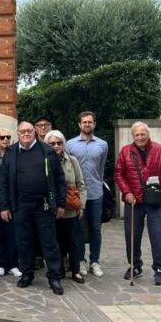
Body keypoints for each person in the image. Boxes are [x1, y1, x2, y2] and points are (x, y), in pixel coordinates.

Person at [0, 121, 67, 295]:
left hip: (44, 205)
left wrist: (60, 203)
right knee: (24, 242)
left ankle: (54, 277)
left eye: (29, 131)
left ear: (35, 132)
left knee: (49, 243)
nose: (26, 134)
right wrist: (4, 206)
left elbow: (59, 179)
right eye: (22, 132)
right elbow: (3, 181)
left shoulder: (47, 151)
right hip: (20, 206)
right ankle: (27, 274)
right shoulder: (11, 152)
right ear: (18, 134)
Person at [115, 121, 161, 286]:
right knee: (132, 235)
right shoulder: (125, 152)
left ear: (148, 134)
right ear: (132, 136)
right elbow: (119, 174)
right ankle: (135, 266)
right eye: (137, 134)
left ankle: (159, 269)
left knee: (158, 236)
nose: (140, 137)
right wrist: (126, 192)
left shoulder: (160, 150)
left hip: (156, 201)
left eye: (143, 134)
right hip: (134, 201)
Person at [66, 111, 109, 278]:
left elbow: (102, 167)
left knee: (96, 228)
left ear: (94, 124)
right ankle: (80, 260)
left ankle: (95, 261)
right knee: (78, 228)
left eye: (90, 122)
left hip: (96, 193)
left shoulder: (102, 145)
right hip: (77, 194)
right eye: (84, 122)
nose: (87, 125)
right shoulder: (70, 144)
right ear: (79, 124)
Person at [46, 130, 86, 284]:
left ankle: (75, 270)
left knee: (73, 241)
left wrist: (81, 205)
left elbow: (81, 185)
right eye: (52, 143)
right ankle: (60, 269)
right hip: (53, 210)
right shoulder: (45, 160)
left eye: (59, 143)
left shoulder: (72, 161)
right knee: (56, 241)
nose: (56, 146)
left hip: (70, 208)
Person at [0, 128, 21, 277]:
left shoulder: (17, 155)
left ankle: (13, 264)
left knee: (13, 234)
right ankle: (0, 264)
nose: (6, 139)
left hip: (14, 201)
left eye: (8, 137)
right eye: (2, 137)